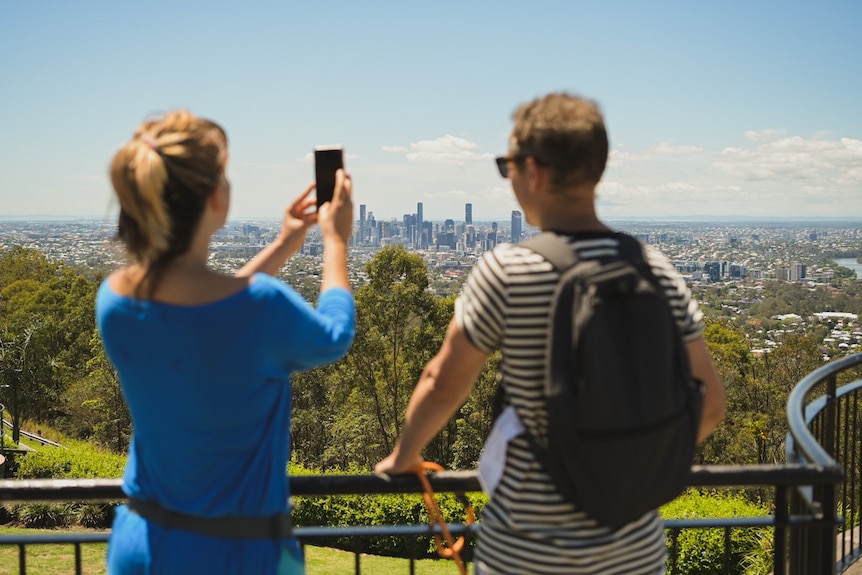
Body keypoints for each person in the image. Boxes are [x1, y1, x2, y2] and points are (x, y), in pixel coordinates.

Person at [376, 92, 726, 574]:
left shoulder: (509, 269)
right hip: (636, 551)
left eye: (507, 166)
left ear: (533, 171)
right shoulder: (655, 269)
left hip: (526, 550)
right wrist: (635, 465)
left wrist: (403, 456)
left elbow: (442, 383)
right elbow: (709, 404)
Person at [97, 110, 355, 575]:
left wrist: (283, 244)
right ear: (217, 196)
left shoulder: (115, 299)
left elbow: (210, 316)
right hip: (237, 552)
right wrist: (335, 242)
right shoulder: (261, 307)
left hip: (141, 542)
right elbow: (334, 336)